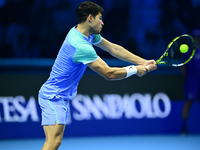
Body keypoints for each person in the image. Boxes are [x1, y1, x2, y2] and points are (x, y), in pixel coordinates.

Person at [38, 1, 157, 150]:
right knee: (53, 142)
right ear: (90, 18)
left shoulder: (83, 33)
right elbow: (109, 73)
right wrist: (135, 69)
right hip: (54, 96)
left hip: (58, 95)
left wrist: (143, 61)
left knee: (54, 142)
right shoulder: (80, 46)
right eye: (100, 18)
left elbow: (114, 48)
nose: (102, 22)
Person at [181, 28, 200, 134]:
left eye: (198, 37)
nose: (197, 39)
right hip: (191, 82)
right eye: (195, 37)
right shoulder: (188, 52)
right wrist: (187, 79)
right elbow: (183, 67)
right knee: (188, 103)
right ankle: (183, 128)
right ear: (192, 38)